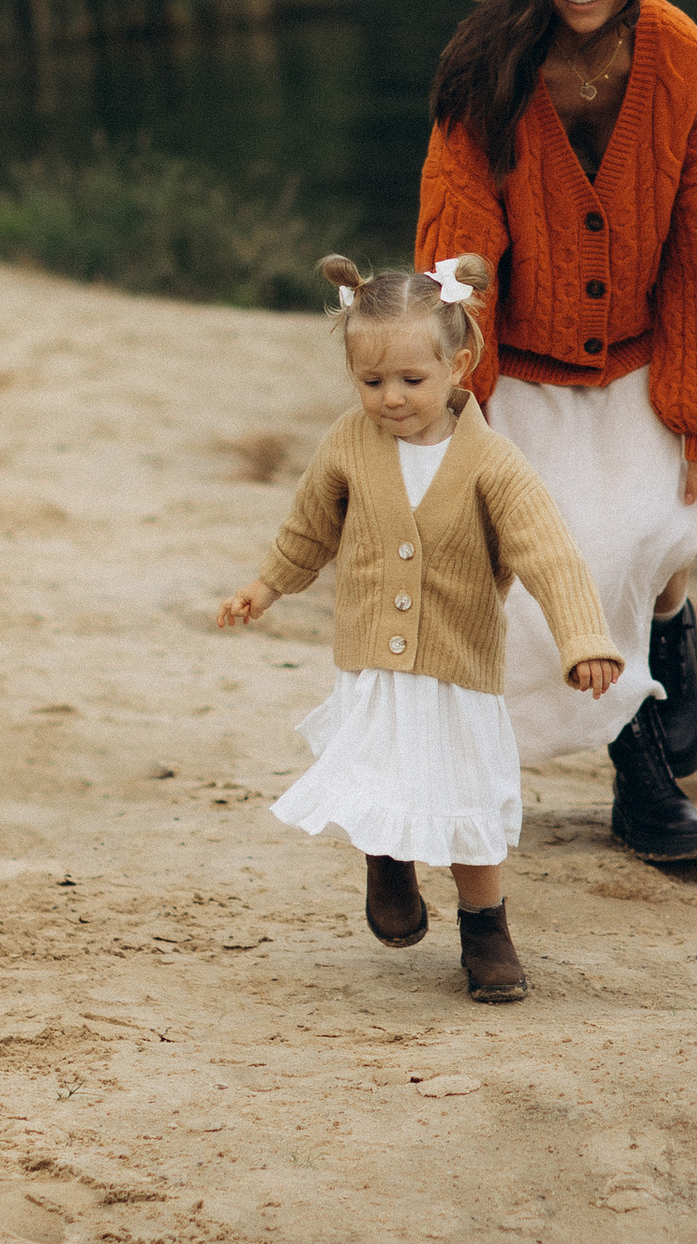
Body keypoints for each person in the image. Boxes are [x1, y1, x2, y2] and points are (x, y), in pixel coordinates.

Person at [417, 0, 697, 866]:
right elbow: (456, 251)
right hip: (518, 369)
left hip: (639, 366)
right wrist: (450, 405)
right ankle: (639, 771)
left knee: (648, 539)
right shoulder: (483, 66)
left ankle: (670, 638)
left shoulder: (689, 61)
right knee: (550, 574)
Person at [217, 254, 622, 1000]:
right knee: (376, 774)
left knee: (467, 797)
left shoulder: (493, 463)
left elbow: (549, 553)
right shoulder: (347, 442)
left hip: (457, 667)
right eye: (371, 383)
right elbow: (310, 527)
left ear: (458, 363)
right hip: (374, 660)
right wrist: (267, 585)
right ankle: (387, 861)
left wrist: (584, 638)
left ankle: (486, 928)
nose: (391, 399)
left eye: (411, 380)